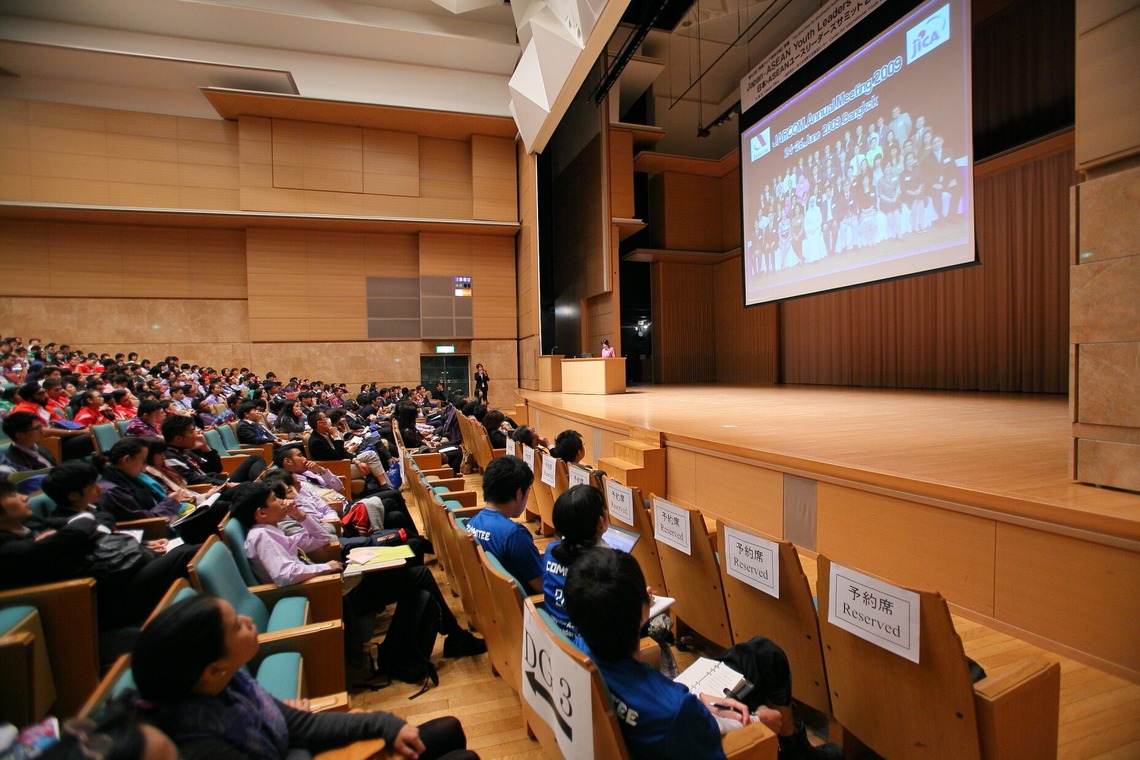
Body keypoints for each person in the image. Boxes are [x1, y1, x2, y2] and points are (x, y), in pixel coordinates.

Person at [564, 548, 842, 760]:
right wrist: (762, 723)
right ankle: (793, 748)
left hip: (664, 719)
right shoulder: (676, 711)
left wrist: (693, 699)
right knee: (768, 665)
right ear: (643, 611)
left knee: (761, 654)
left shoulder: (578, 649)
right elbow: (716, 746)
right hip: (691, 732)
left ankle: (795, 746)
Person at [130, 594, 479, 760]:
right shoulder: (198, 744)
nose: (249, 622)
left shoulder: (230, 683)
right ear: (212, 667)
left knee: (449, 729)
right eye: (237, 625)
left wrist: (383, 724)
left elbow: (301, 726)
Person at [464, 455, 541, 592]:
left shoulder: (472, 522)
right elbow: (542, 585)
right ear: (519, 493)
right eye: (527, 493)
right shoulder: (514, 535)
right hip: (526, 608)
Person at [542, 484, 607, 636]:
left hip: (556, 637)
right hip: (588, 648)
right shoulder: (607, 565)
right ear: (600, 522)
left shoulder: (550, 550)